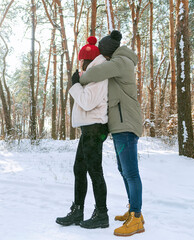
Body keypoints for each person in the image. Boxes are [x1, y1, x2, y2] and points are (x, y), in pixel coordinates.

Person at [78, 30, 145, 237]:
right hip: (120, 124)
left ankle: (136, 218)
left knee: (131, 172)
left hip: (126, 125)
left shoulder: (120, 62)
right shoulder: (119, 61)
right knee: (124, 170)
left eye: (104, 55)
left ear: (108, 53)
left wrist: (80, 77)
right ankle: (134, 212)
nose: (103, 58)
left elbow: (93, 74)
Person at [55, 36, 110, 229]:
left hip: (95, 128)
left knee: (95, 171)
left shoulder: (99, 76)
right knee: (79, 169)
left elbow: (87, 101)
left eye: (83, 61)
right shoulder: (92, 75)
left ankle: (102, 214)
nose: (81, 65)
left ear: (89, 61)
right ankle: (77, 211)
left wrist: (75, 85)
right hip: (89, 129)